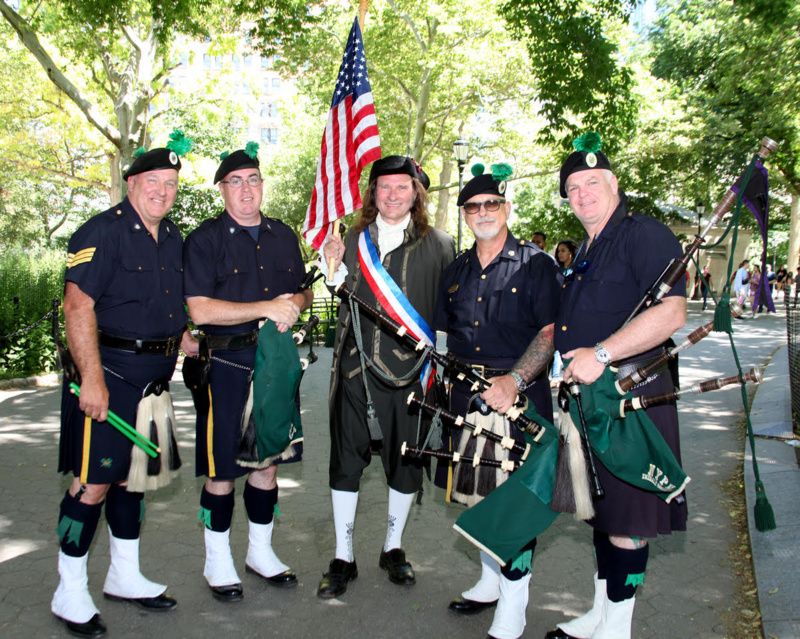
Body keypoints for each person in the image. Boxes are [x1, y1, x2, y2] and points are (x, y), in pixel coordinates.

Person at [545, 133, 688, 639]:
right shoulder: (586, 249)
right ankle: (602, 613)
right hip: (593, 401)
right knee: (604, 513)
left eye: (591, 182)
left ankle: (617, 627)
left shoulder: (642, 235)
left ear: (614, 184)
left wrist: (602, 354)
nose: (582, 194)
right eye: (573, 188)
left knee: (628, 518)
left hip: (632, 396)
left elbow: (672, 313)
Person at [53, 143, 196, 637]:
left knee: (133, 480)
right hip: (109, 377)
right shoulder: (102, 232)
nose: (162, 191)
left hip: (154, 381)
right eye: (152, 181)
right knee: (91, 483)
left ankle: (124, 575)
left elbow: (161, 298)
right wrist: (91, 379)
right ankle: (69, 589)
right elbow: (77, 306)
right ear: (131, 183)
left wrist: (182, 336)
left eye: (170, 184)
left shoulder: (172, 236)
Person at [317, 155, 455, 599]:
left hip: (413, 375)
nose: (392, 195)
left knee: (406, 464)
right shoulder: (349, 238)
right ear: (372, 193)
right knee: (345, 464)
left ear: (416, 193)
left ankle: (393, 548)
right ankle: (343, 556)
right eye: (384, 187)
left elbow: (448, 312)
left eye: (402, 187)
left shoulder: (441, 244)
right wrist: (331, 264)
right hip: (354, 369)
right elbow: (337, 290)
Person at [433, 164, 559, 637]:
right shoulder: (455, 270)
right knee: (477, 493)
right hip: (466, 395)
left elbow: (550, 332)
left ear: (506, 208)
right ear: (465, 214)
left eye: (492, 204)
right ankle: (490, 582)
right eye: (473, 207)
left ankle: (514, 602)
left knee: (513, 502)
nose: (483, 212)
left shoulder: (536, 264)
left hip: (518, 397)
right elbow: (443, 333)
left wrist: (515, 380)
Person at [183, 144, 312, 602]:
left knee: (268, 463)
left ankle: (261, 552)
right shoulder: (205, 240)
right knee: (221, 470)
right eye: (235, 181)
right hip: (226, 366)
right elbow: (199, 309)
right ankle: (217, 560)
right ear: (222, 189)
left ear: (262, 185)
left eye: (253, 179)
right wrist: (265, 308)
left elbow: (301, 292)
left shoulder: (282, 235)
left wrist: (294, 304)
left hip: (275, 363)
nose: (245, 189)